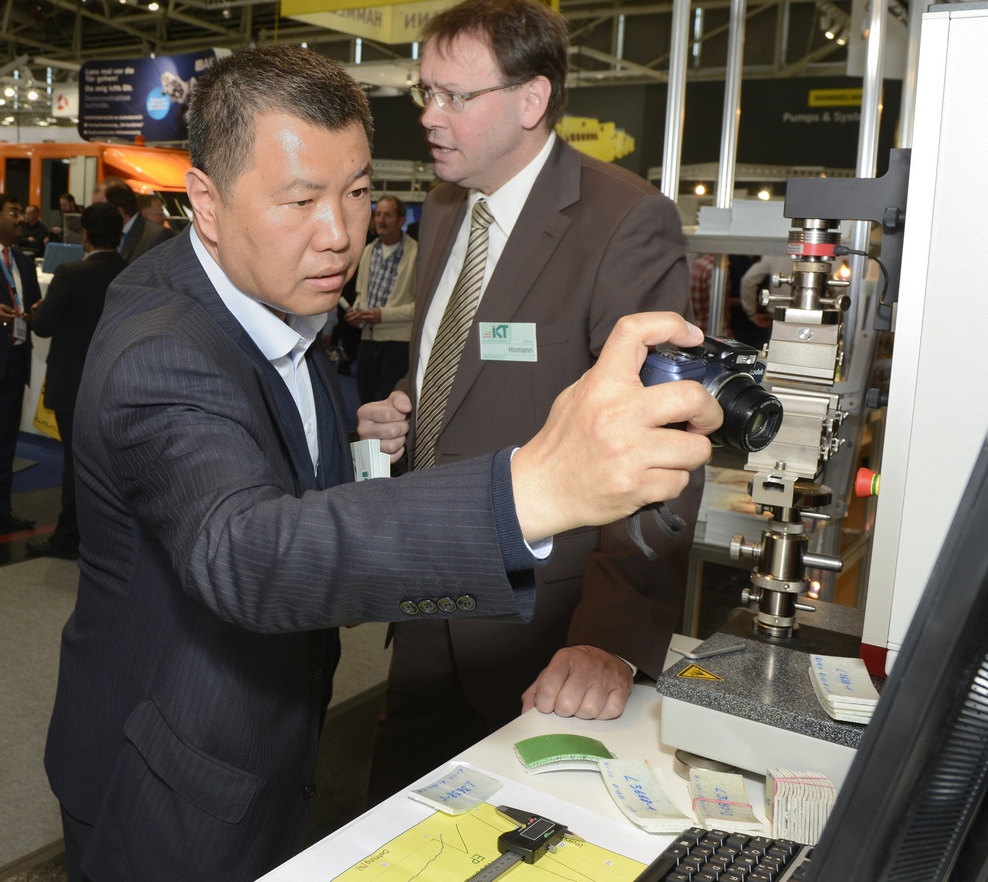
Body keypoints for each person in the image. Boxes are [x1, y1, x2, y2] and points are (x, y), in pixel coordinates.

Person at [43, 44, 721, 882]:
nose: (340, 235)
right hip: (169, 782)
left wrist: (357, 447)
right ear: (207, 204)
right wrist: (531, 489)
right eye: (300, 201)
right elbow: (246, 551)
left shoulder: (270, 296)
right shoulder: (161, 345)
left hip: (263, 743)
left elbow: (280, 480)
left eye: (358, 193)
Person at [357, 0, 704, 803]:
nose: (429, 115)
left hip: (542, 625)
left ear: (531, 99)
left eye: (454, 96)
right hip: (425, 594)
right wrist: (406, 404)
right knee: (393, 816)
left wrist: (612, 637)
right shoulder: (450, 204)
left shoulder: (623, 221)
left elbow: (665, 434)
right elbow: (463, 360)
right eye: (425, 92)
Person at [26, 203, 126, 559]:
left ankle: (68, 539)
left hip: (73, 385)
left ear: (84, 235)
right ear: (120, 235)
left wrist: (41, 310)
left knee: (75, 465)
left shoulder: (70, 274)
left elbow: (42, 326)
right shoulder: (133, 272)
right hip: (118, 385)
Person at [346, 194, 417, 404]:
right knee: (366, 404)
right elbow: (361, 295)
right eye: (378, 214)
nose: (381, 220)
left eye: (388, 215)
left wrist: (383, 315)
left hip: (397, 344)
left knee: (387, 406)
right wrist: (357, 312)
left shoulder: (416, 253)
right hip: (367, 340)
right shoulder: (368, 250)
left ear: (402, 220)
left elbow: (420, 307)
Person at [0, 194, 42, 533]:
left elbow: (34, 305)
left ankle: (3, 510)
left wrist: (36, 312)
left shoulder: (24, 263)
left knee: (6, 443)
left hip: (15, 362)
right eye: (13, 212)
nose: (19, 219)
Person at [94, 178, 174, 262]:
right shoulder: (104, 235)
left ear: (119, 211)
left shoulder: (157, 236)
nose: (94, 214)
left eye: (100, 208)